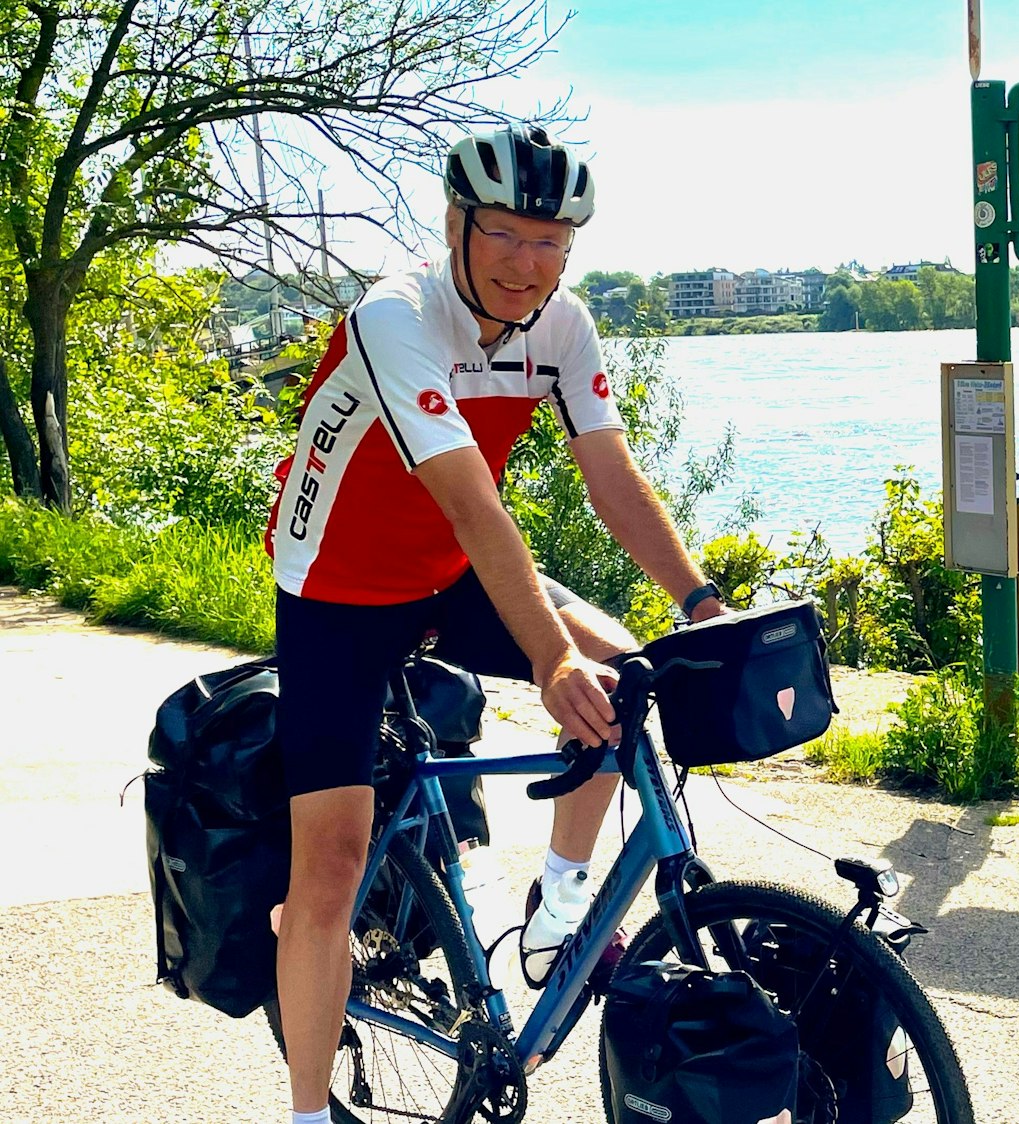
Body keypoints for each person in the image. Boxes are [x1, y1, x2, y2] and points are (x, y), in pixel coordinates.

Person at [264, 124, 724, 1124]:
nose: (531, 265)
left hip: (447, 574)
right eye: (509, 236)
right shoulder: (397, 315)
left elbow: (610, 474)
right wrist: (547, 652)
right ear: (456, 224)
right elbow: (475, 502)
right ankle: (306, 1109)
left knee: (626, 671)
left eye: (554, 243)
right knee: (331, 864)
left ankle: (558, 912)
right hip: (336, 590)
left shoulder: (562, 324)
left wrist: (703, 600)